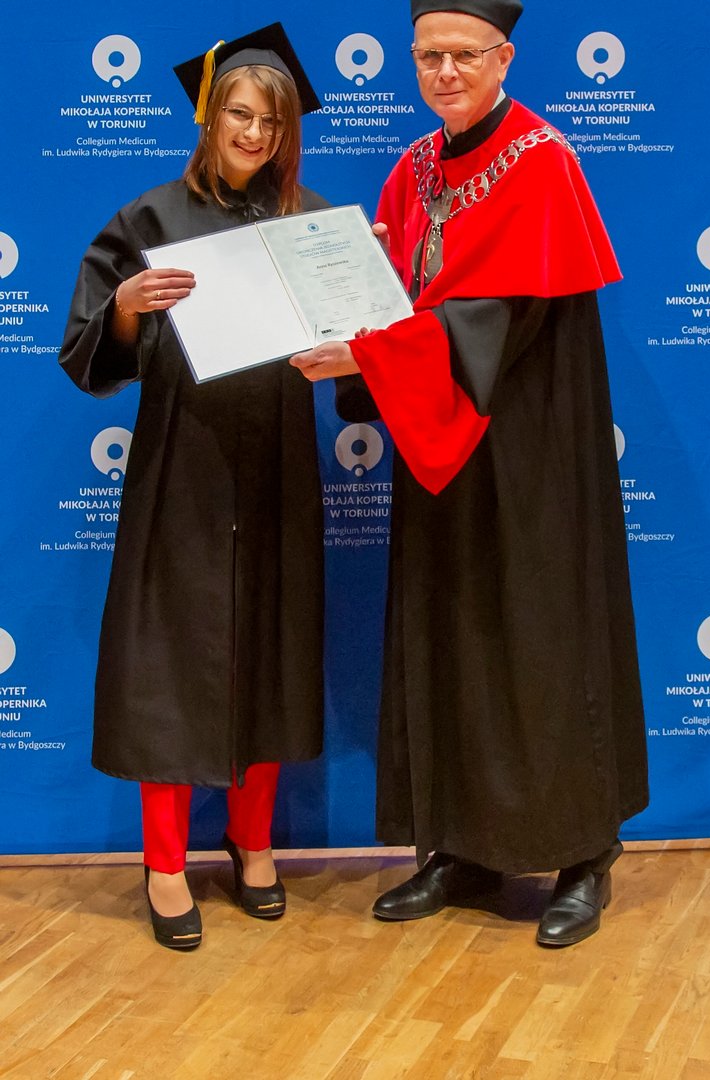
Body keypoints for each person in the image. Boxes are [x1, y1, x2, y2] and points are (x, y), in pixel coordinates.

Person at [290, 0, 649, 947]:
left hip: (530, 446)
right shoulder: (411, 167)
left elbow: (504, 318)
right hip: (438, 441)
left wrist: (376, 354)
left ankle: (583, 854)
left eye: (463, 55)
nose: (444, 72)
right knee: (447, 630)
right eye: (428, 57)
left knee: (542, 636)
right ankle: (462, 846)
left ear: (503, 58)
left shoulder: (543, 160)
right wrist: (354, 320)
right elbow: (395, 297)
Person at [59, 24, 327, 950]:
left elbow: (355, 351)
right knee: (170, 660)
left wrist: (355, 289)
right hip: (183, 463)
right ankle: (166, 863)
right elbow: (90, 351)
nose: (254, 133)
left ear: (289, 133)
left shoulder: (310, 221)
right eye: (239, 115)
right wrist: (127, 308)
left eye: (272, 121)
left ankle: (254, 843)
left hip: (280, 460)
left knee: (270, 646)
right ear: (210, 118)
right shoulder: (150, 218)